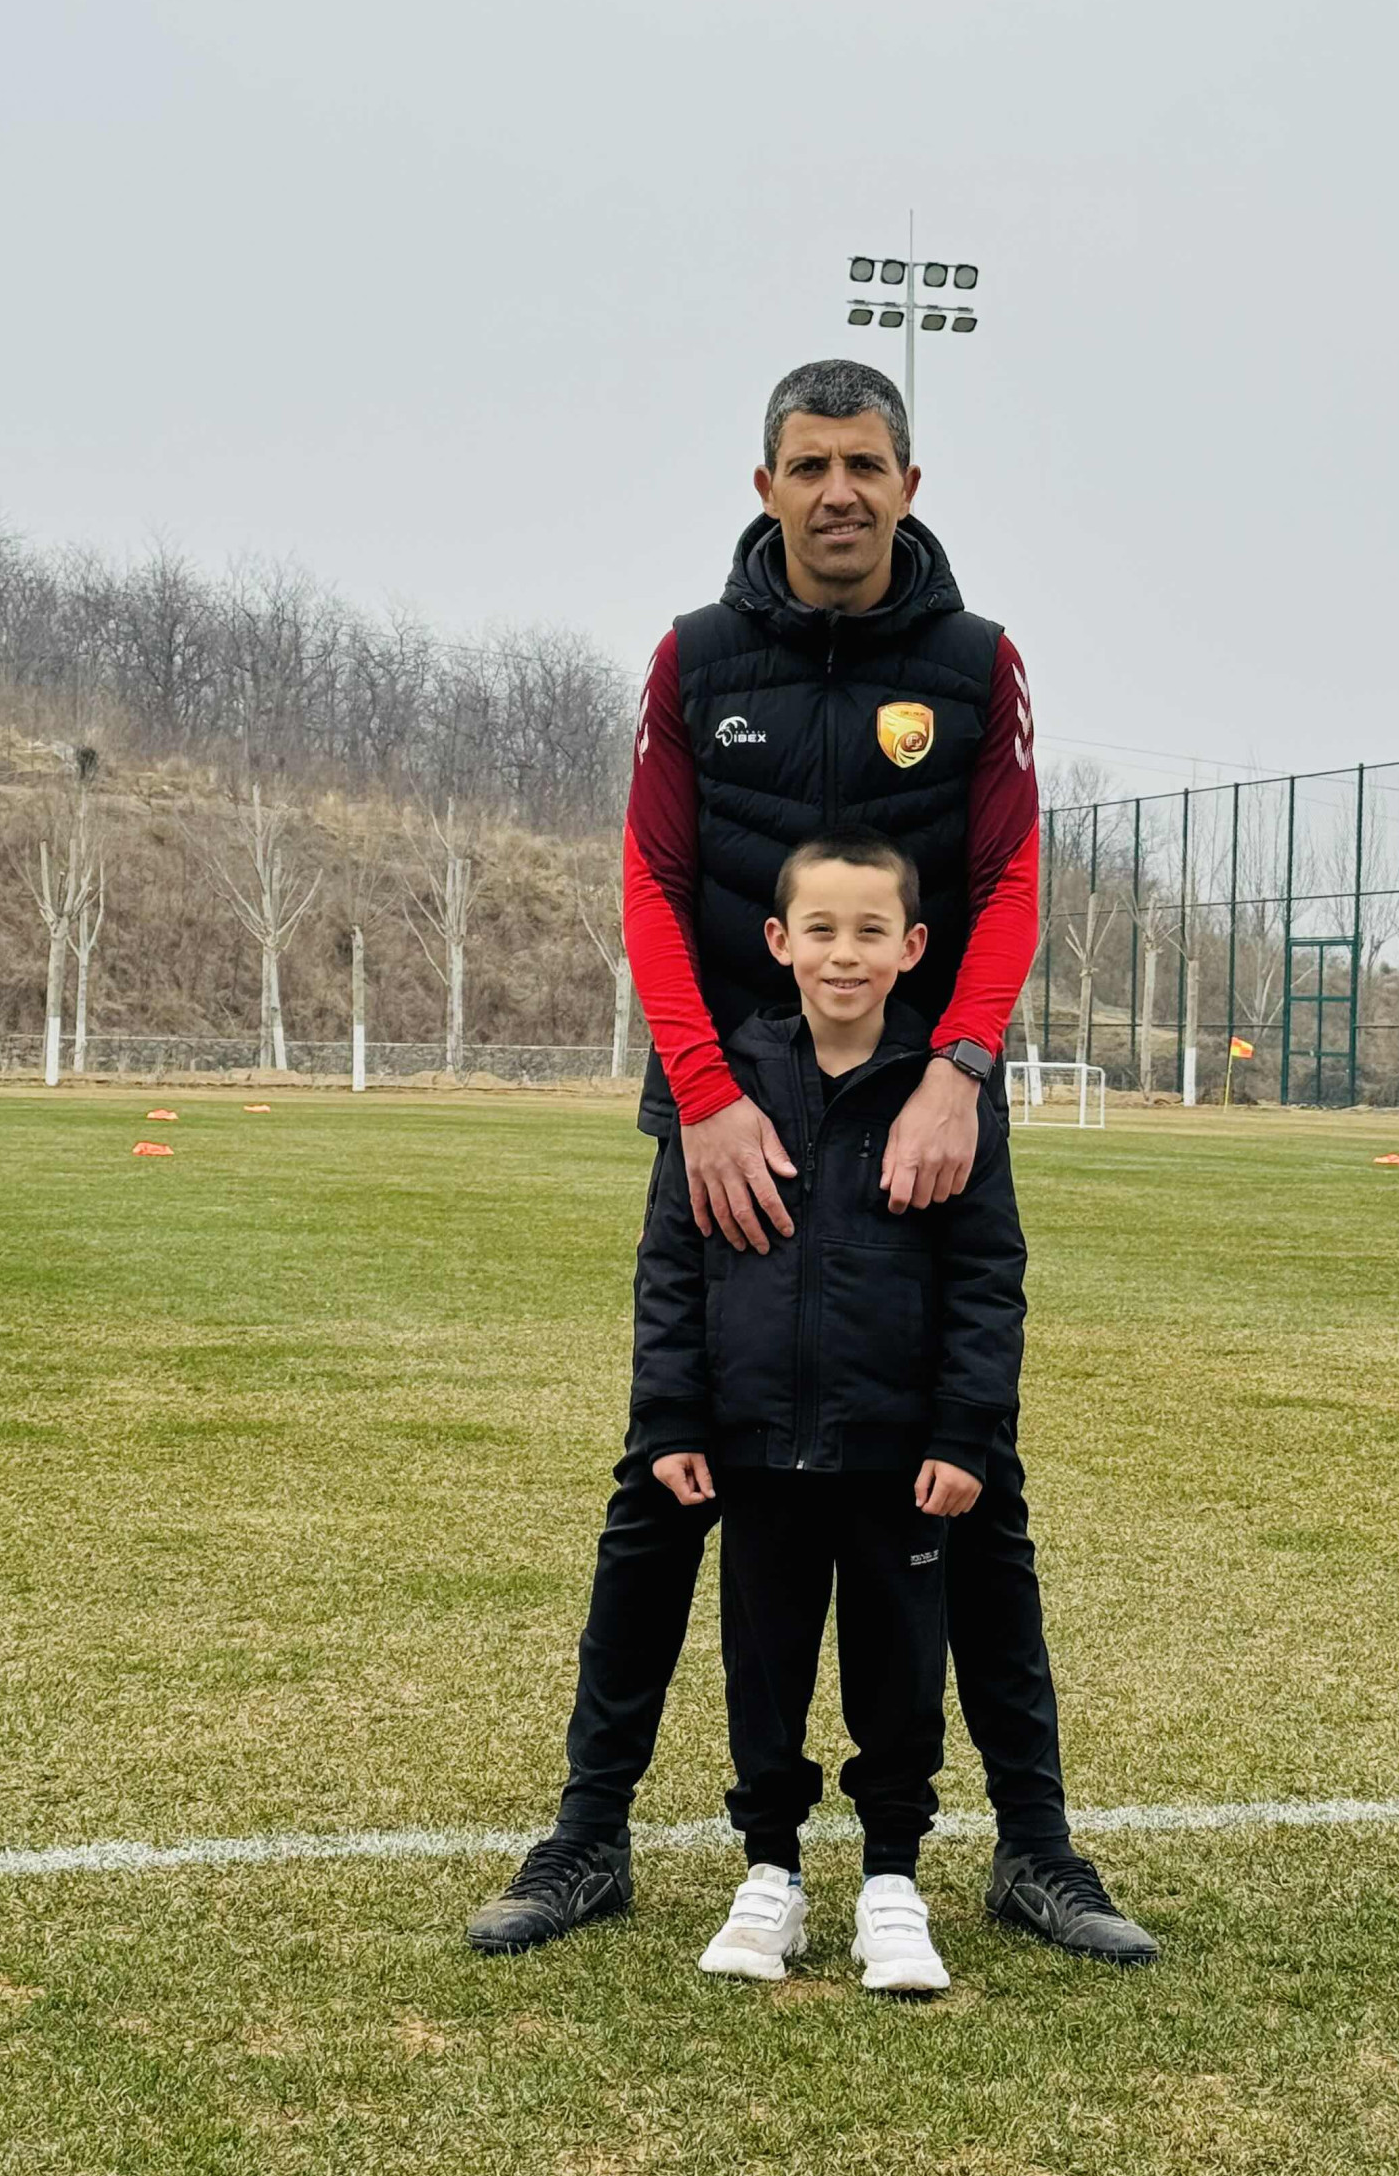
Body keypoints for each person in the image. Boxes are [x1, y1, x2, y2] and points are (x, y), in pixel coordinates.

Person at [467, 359, 1157, 1966]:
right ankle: (587, 1834)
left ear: (910, 484)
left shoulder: (977, 665)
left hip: (925, 1114)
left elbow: (1007, 877)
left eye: (864, 462)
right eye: (808, 463)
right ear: (764, 483)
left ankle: (1037, 1849)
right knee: (668, 1475)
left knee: (970, 1478)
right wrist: (704, 1090)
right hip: (733, 1115)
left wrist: (961, 1070)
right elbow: (651, 876)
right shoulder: (694, 660)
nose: (837, 489)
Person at [634, 826, 1025, 1992]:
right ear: (777, 941)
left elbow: (985, 1276)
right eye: (820, 929)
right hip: (755, 1449)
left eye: (868, 931)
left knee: (898, 1672)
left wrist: (961, 1431)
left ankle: (891, 1881)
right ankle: (770, 1873)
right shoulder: (726, 1091)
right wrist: (672, 1416)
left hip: (897, 1456)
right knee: (763, 1669)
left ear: (913, 946)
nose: (843, 953)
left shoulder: (942, 1103)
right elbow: (671, 1264)